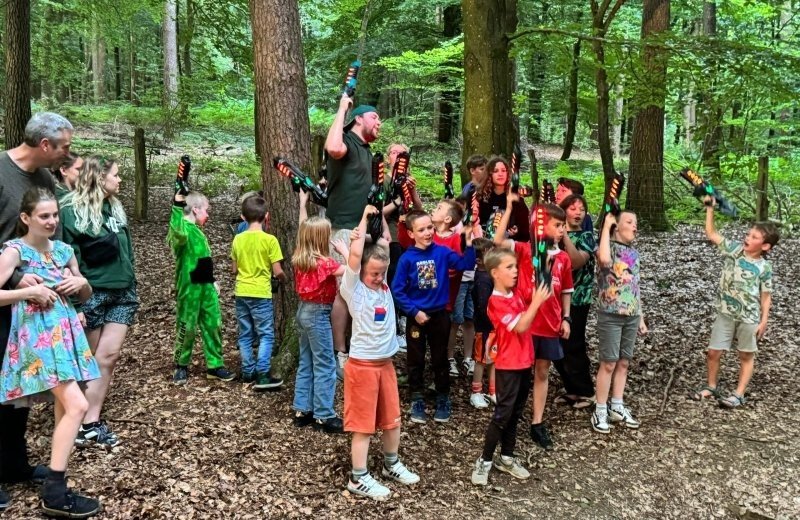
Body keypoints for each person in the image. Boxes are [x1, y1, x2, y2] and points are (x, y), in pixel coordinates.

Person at [0, 187, 101, 517]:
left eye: (55, 215)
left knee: (65, 407)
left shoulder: (63, 251)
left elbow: (85, 292)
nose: (52, 221)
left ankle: (58, 484)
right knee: (78, 405)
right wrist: (29, 291)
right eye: (44, 216)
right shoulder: (14, 252)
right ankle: (54, 493)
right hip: (36, 339)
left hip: (67, 334)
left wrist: (80, 284)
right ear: (26, 218)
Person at [0, 112, 74, 506]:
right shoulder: (1, 173)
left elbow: (51, 248)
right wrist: (14, 282)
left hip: (37, 307)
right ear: (45, 146)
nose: (68, 152)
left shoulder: (46, 181)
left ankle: (13, 465)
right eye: (64, 146)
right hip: (6, 295)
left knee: (19, 388)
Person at [60, 156, 138, 448]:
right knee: (87, 360)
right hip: (91, 295)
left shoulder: (114, 208)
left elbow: (126, 250)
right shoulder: (70, 211)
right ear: (98, 177)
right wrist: (77, 304)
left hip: (123, 292)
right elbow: (68, 260)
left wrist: (132, 280)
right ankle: (75, 420)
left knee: (108, 357)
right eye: (116, 175)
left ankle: (91, 423)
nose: (119, 180)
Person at [341, 205, 419, 500]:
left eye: (381, 272)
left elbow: (385, 241)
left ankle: (391, 463)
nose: (377, 277)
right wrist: (362, 217)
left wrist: (381, 214)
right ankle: (358, 477)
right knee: (363, 424)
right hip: (361, 367)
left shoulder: (383, 286)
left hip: (385, 365)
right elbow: (354, 255)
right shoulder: (354, 289)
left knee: (392, 419)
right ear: (362, 270)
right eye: (373, 273)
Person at [470, 248, 551, 486]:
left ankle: (506, 456)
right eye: (509, 267)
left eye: (515, 266)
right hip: (508, 365)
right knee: (502, 414)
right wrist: (536, 302)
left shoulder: (513, 295)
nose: (515, 271)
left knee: (515, 412)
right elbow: (521, 326)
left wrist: (543, 268)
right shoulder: (495, 301)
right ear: (495, 273)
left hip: (525, 362)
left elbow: (532, 292)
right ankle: (484, 461)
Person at [690, 197, 778, 408]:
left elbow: (766, 295)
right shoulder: (734, 249)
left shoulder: (764, 268)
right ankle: (711, 386)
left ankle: (738, 394)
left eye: (754, 237)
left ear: (765, 245)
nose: (748, 238)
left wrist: (764, 320)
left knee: (746, 355)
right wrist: (710, 209)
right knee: (713, 352)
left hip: (749, 316)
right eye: (748, 234)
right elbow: (712, 234)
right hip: (725, 313)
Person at [392, 210, 477, 424]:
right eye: (421, 230)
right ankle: (417, 398)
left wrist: (467, 242)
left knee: (440, 358)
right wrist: (414, 312)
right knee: (416, 359)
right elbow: (398, 290)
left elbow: (465, 265)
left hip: (440, 315)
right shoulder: (407, 259)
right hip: (417, 317)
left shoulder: (442, 252)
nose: (428, 232)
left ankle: (443, 397)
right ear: (411, 234)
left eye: (430, 227)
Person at [324, 98, 382, 379]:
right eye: (374, 117)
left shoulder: (368, 151)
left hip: (368, 229)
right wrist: (342, 108)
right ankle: (340, 352)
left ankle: (362, 347)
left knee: (366, 289)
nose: (379, 122)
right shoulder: (345, 140)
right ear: (359, 119)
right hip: (344, 227)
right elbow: (332, 148)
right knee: (344, 291)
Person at [168, 164, 235, 385]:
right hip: (189, 287)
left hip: (205, 285)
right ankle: (181, 364)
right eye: (206, 209)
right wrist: (177, 206)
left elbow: (202, 260)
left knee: (213, 323)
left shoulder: (198, 232)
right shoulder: (183, 230)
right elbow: (177, 233)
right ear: (195, 209)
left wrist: (213, 280)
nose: (208, 214)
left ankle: (215, 365)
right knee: (186, 324)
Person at [291, 190, 346, 433]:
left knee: (306, 360)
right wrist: (347, 252)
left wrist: (303, 203)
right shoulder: (325, 263)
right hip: (317, 315)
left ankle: (303, 409)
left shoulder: (301, 256)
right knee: (325, 363)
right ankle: (324, 414)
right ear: (322, 239)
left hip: (303, 313)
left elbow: (304, 226)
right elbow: (352, 270)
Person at [590, 211, 648, 434]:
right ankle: (600, 409)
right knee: (608, 363)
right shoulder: (608, 248)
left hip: (631, 314)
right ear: (616, 226)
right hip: (611, 314)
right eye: (630, 222)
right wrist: (606, 226)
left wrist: (640, 316)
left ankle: (617, 405)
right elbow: (603, 260)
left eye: (636, 222)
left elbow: (635, 287)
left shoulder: (634, 253)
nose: (635, 227)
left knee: (624, 362)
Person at [231, 194, 285, 390]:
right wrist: (283, 279)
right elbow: (277, 270)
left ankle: (247, 372)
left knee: (245, 334)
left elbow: (234, 269)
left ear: (243, 217)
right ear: (267, 216)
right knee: (266, 335)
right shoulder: (270, 240)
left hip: (241, 292)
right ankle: (262, 374)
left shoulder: (238, 239)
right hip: (261, 293)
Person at [553, 194, 596, 409]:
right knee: (554, 345)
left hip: (579, 298)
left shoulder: (587, 237)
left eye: (581, 209)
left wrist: (564, 237)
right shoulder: (551, 237)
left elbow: (575, 262)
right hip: (553, 300)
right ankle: (571, 388)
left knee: (573, 344)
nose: (578, 212)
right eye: (572, 208)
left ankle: (585, 391)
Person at [430, 199, 468, 378]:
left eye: (438, 208)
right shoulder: (428, 235)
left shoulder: (455, 240)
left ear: (447, 219)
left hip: (443, 303)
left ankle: (440, 379)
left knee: (440, 341)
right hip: (423, 299)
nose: (433, 209)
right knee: (423, 340)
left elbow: (455, 269)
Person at [469, 238, 497, 409]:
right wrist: (491, 320)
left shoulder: (489, 276)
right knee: (481, 359)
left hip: (493, 326)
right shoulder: (483, 279)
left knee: (493, 358)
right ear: (479, 260)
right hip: (484, 327)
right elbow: (482, 305)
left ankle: (493, 390)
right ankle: (476, 391)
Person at [478, 156, 530, 242]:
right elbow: (475, 223)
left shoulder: (516, 199)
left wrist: (517, 229)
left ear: (508, 173)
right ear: (489, 174)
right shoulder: (482, 198)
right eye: (496, 171)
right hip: (486, 246)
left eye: (503, 170)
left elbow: (525, 232)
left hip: (509, 247)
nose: (500, 174)